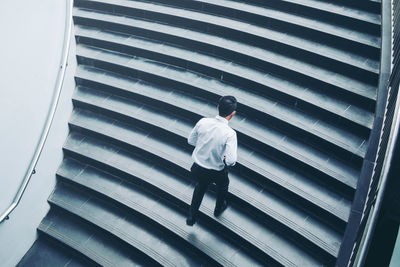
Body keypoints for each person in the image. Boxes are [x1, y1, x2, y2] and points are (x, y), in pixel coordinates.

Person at [186, 95, 238, 226]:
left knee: (200, 187)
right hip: (216, 171)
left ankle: (191, 217)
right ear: (233, 114)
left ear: (218, 107)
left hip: (198, 167)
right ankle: (218, 208)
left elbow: (191, 141)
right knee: (223, 185)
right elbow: (231, 161)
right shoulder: (230, 134)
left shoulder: (203, 122)